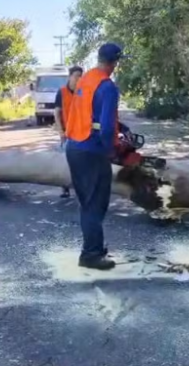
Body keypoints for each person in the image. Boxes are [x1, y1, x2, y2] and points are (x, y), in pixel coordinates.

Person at [65, 42, 128, 270]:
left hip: (74, 147)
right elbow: (107, 130)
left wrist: (124, 128)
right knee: (95, 205)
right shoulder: (108, 86)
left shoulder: (86, 79)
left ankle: (94, 248)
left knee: (87, 202)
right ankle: (91, 255)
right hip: (92, 151)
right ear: (114, 63)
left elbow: (91, 114)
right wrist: (112, 150)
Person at [53, 65, 84, 198]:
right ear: (70, 76)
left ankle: (81, 187)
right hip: (66, 132)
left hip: (81, 132)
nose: (79, 78)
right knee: (65, 159)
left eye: (81, 76)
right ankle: (65, 187)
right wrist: (60, 131)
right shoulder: (62, 92)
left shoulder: (82, 92)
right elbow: (56, 112)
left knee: (81, 160)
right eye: (77, 75)